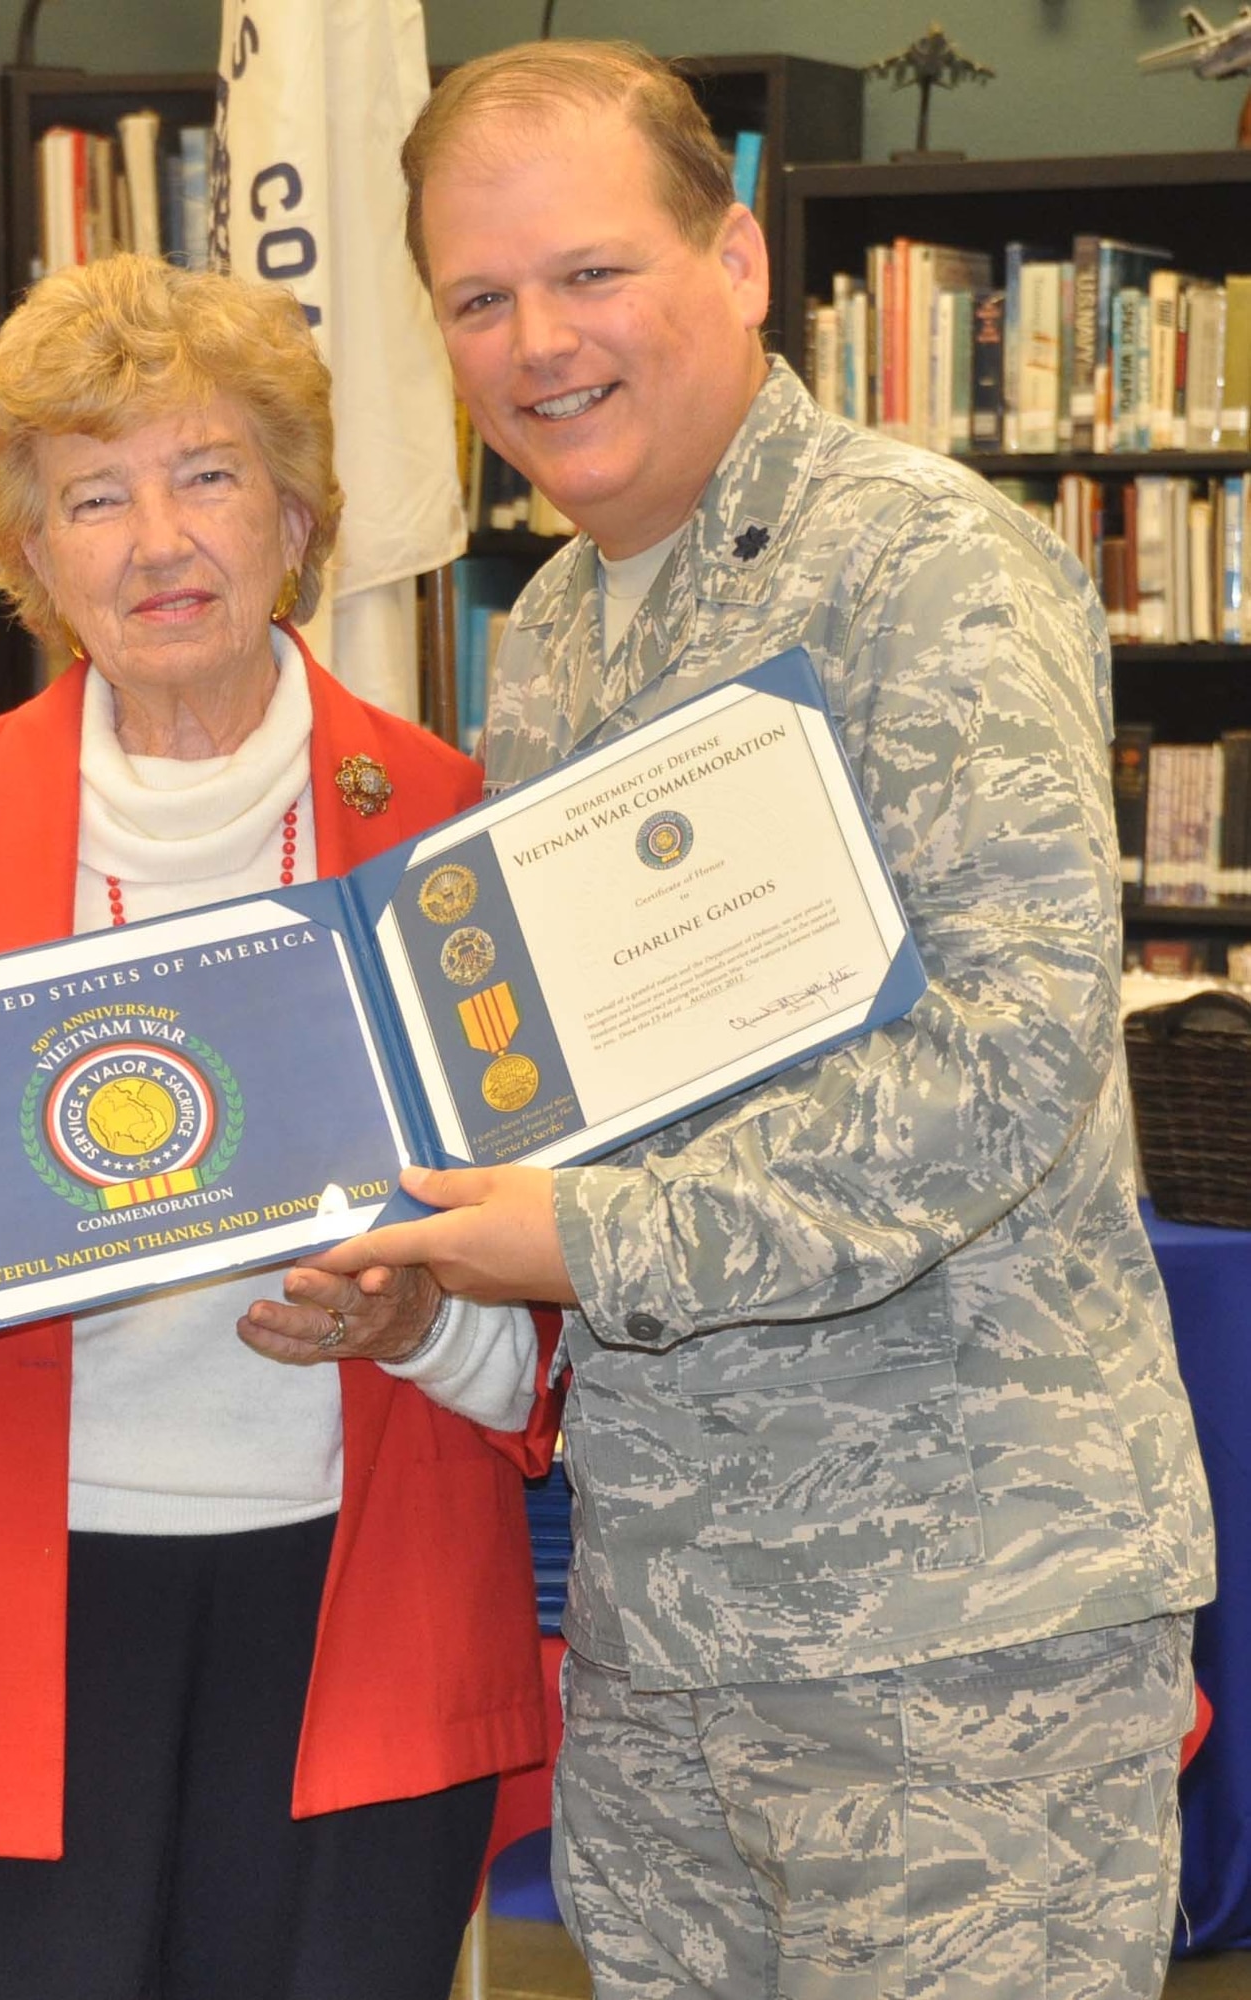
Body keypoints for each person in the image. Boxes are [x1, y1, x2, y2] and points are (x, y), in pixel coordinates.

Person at [311, 40, 1218, 2000]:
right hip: (672, 1625)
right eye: (479, 297)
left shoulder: (929, 570)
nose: (536, 341)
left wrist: (583, 1239)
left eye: (589, 272)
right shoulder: (547, 631)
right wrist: (432, 1249)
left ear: (735, 258)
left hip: (959, 1627)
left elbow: (1007, 1051)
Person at [0, 253, 563, 2000]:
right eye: (95, 495)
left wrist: (427, 1314)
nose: (158, 539)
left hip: (356, 1614)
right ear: (31, 555)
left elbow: (577, 1241)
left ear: (300, 515)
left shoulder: (453, 830)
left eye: (209, 475)